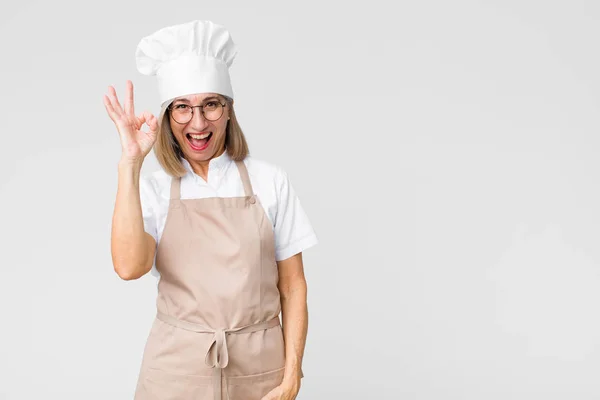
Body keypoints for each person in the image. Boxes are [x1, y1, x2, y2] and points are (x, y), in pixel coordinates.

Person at [103, 20, 318, 400]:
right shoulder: (152, 191)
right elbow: (128, 267)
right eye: (182, 108)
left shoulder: (270, 182)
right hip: (175, 373)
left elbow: (293, 286)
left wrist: (291, 376)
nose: (198, 122)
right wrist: (130, 164)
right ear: (169, 116)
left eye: (211, 105)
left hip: (261, 371)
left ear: (230, 110)